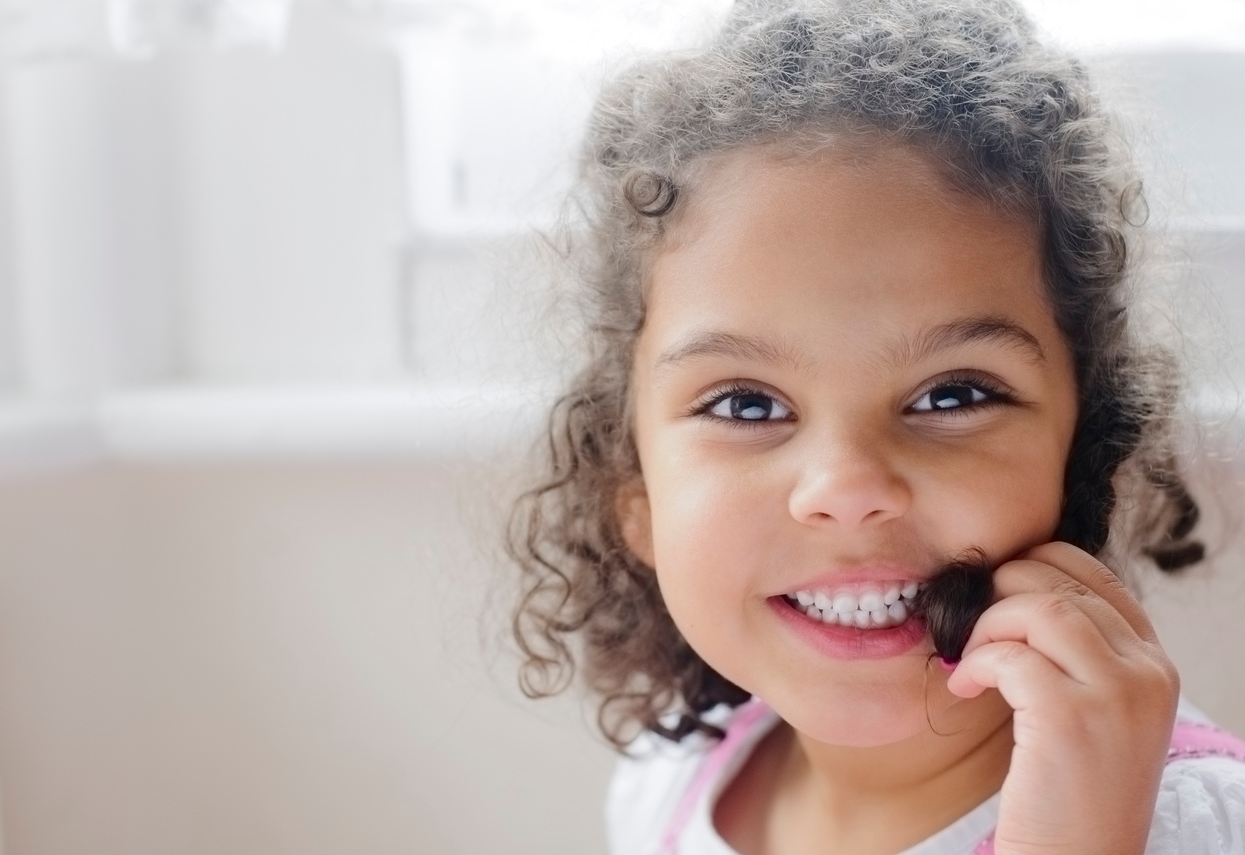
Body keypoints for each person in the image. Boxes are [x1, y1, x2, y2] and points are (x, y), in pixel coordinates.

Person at [505, 0, 1245, 852]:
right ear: (633, 496)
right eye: (746, 404)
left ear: (1090, 455)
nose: (848, 488)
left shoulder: (1196, 827)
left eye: (951, 394)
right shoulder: (669, 779)